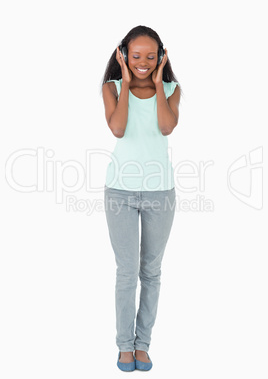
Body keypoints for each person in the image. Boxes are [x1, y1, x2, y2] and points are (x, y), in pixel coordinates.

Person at [101, 25, 181, 371]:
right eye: (136, 56)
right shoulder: (113, 88)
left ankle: (143, 344)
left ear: (161, 56)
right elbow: (118, 128)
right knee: (126, 271)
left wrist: (161, 82)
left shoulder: (173, 89)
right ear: (124, 55)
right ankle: (124, 346)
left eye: (152, 56)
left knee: (151, 270)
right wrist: (129, 85)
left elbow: (166, 126)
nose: (143, 62)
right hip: (120, 190)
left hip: (160, 192)